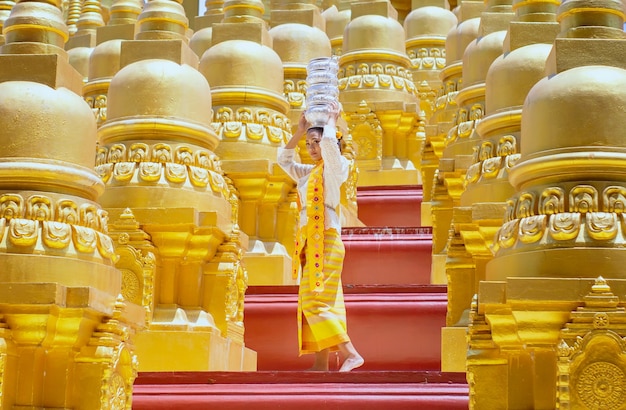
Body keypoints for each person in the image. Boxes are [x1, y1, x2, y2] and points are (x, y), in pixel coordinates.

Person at [277, 102, 364, 372]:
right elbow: (284, 160)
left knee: (314, 300)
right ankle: (321, 361)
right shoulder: (308, 174)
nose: (312, 148)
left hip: (325, 239)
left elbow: (329, 148)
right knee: (321, 302)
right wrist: (299, 130)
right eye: (309, 144)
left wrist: (330, 123)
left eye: (316, 142)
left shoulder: (336, 169)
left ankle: (350, 353)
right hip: (308, 242)